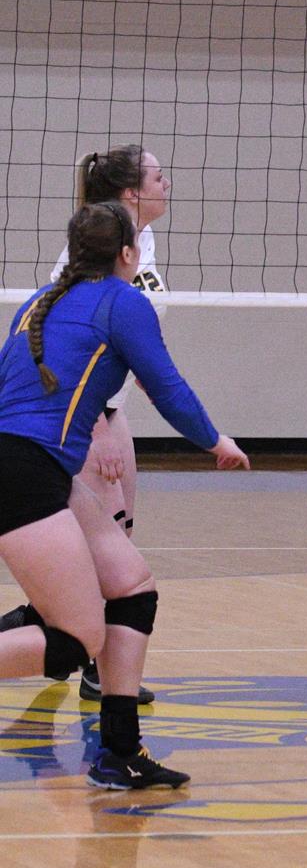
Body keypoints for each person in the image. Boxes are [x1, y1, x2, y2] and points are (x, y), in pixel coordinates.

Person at [0, 202, 250, 789]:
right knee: (74, 638)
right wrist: (216, 441)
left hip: (35, 465)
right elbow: (169, 388)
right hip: (22, 468)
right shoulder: (124, 302)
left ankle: (119, 752)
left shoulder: (40, 300)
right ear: (129, 256)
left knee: (132, 587)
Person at [49, 145, 170, 703]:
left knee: (119, 538)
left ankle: (91, 661)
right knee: (105, 552)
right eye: (156, 175)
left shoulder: (142, 242)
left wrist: (141, 367)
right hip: (83, 414)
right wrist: (93, 430)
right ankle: (64, 645)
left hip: (114, 406)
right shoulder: (87, 256)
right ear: (130, 193)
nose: (166, 182)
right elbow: (65, 343)